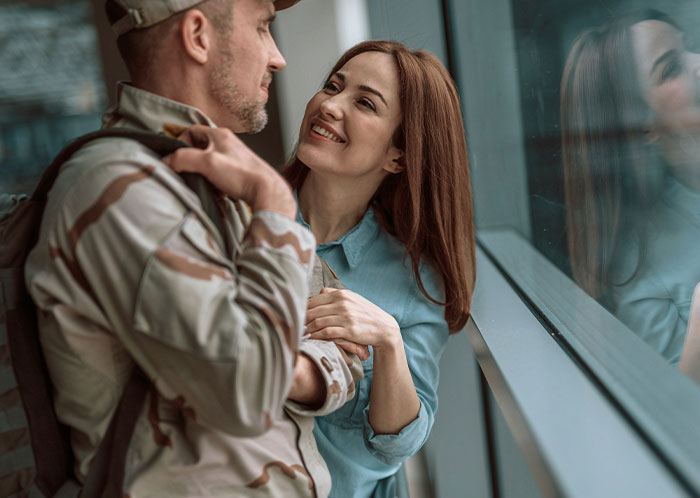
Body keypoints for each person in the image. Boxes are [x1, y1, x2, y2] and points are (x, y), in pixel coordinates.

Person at [25, 0, 360, 496]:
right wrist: (274, 206)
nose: (277, 57)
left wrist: (298, 370)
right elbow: (250, 394)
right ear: (199, 35)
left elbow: (348, 344)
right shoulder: (118, 192)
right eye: (263, 27)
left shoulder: (217, 174)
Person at [181, 39, 476, 497]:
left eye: (364, 103)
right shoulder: (237, 212)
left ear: (398, 155)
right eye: (332, 86)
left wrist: (388, 340)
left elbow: (397, 445)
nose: (330, 105)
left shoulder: (414, 279)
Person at [561, 9, 700, 364]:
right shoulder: (639, 268)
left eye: (692, 48)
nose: (698, 63)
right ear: (641, 125)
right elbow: (671, 409)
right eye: (671, 69)